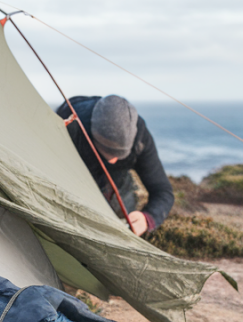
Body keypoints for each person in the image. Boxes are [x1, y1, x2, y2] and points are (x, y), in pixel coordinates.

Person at [57, 95, 175, 235]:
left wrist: (147, 218)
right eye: (107, 151)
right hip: (71, 184)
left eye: (120, 156)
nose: (113, 160)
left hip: (117, 189)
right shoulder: (70, 123)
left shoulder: (140, 138)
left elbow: (163, 191)